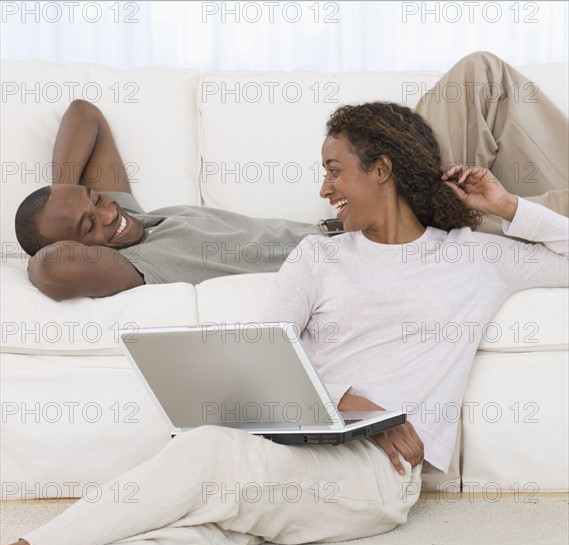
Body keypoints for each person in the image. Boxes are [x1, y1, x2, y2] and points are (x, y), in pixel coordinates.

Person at [2, 93, 567, 545]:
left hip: (375, 473)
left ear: (382, 170)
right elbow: (266, 361)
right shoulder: (318, 257)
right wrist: (353, 403)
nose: (322, 190)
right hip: (296, 451)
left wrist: (508, 208)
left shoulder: (476, 257)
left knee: (207, 456)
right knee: (190, 532)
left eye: (333, 171)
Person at [14, 52, 568, 301]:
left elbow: (83, 112)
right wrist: (64, 226)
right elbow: (49, 266)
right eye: (90, 224)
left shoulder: (130, 216)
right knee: (524, 222)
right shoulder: (130, 268)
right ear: (81, 249)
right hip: (375, 239)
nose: (109, 214)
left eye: (97, 199)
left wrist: (68, 196)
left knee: (478, 77)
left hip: (357, 206)